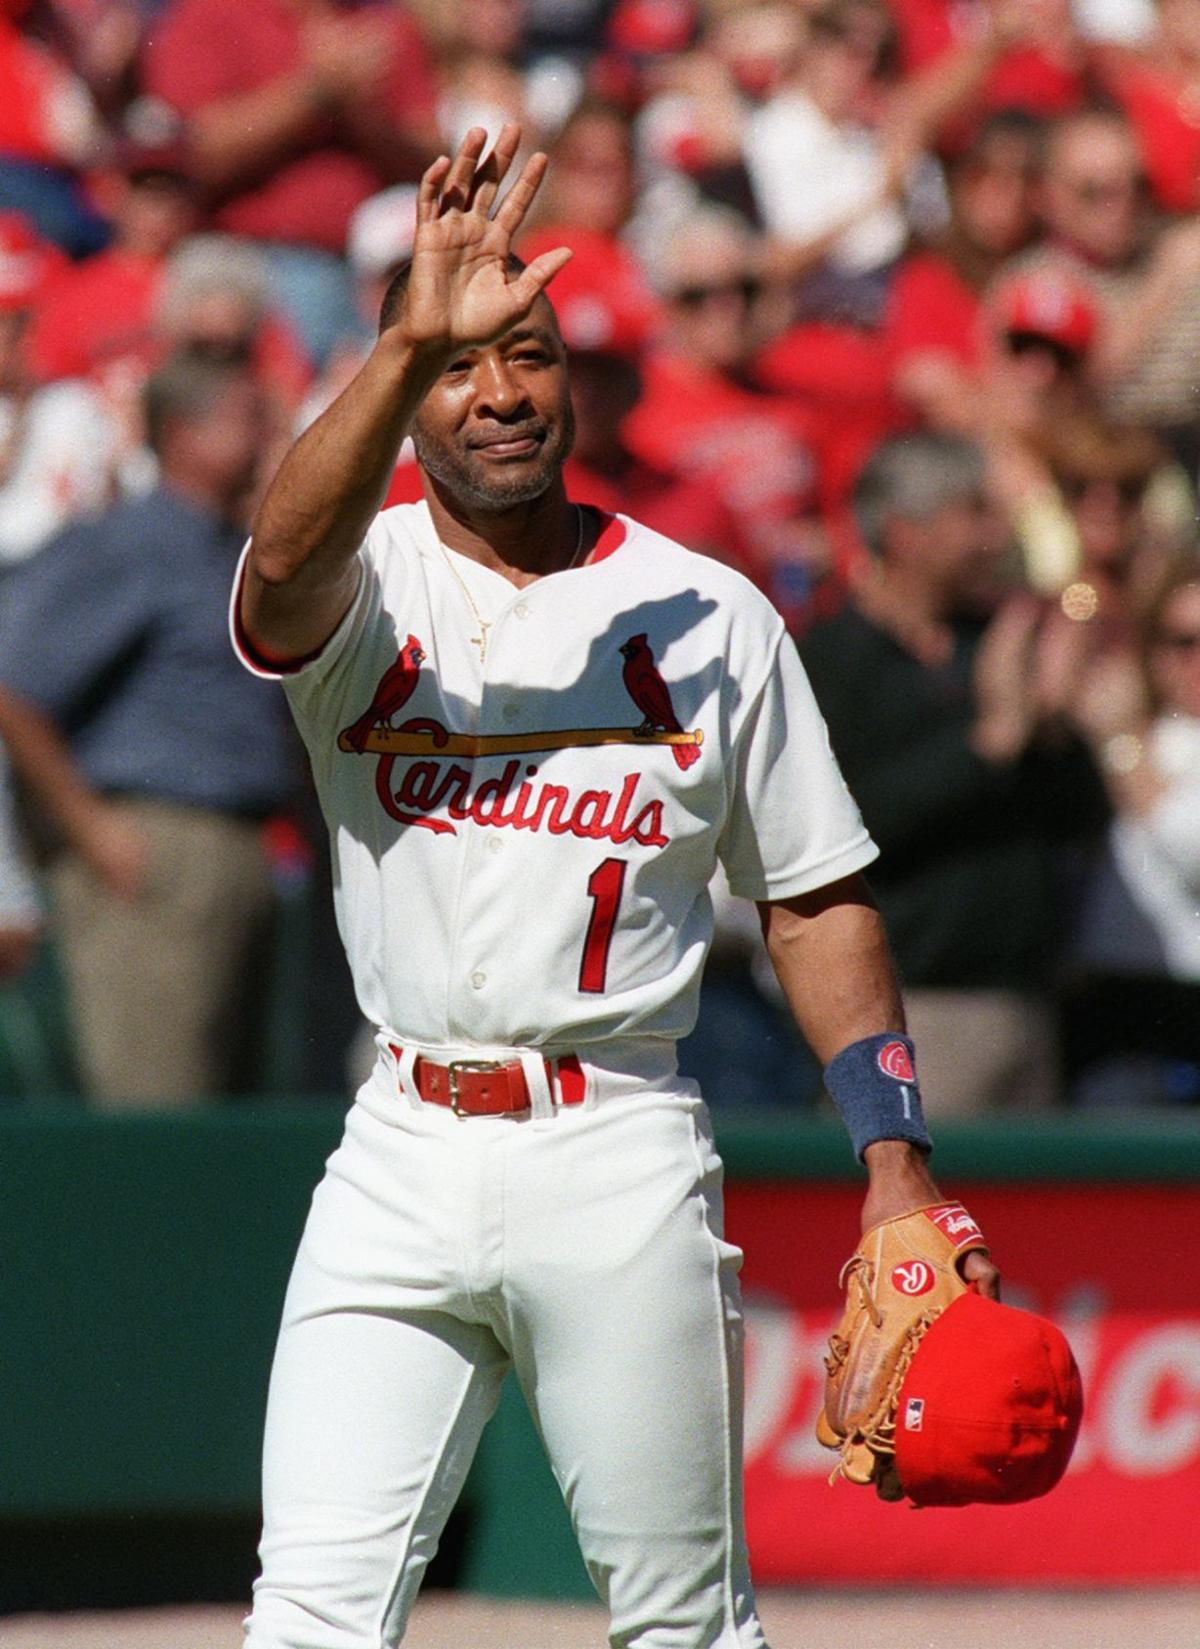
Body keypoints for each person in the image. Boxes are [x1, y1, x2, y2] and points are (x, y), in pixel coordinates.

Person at [234, 124, 998, 1649]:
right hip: (396, 1142)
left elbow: (814, 894)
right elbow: (273, 567)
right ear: (405, 390)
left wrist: (894, 1154)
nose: (499, 391)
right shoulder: (367, 580)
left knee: (685, 1624)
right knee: (309, 1612)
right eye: (459, 366)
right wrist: (397, 353)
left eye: (527, 354)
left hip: (618, 1143)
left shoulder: (710, 611)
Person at [0, 351, 295, 1105]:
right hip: (157, 843)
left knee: (231, 1115)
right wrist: (93, 828)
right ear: (181, 433)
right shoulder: (133, 541)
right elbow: (15, 687)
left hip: (238, 848)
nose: (268, 436)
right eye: (244, 419)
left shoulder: (231, 546)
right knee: (159, 1109)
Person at [801, 432, 1108, 1116]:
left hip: (1028, 1000)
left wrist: (1053, 727)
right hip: (912, 1009)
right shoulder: (836, 658)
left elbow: (1081, 815)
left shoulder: (994, 641)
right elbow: (854, 822)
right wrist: (988, 742)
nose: (995, 535)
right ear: (905, 532)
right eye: (974, 513)